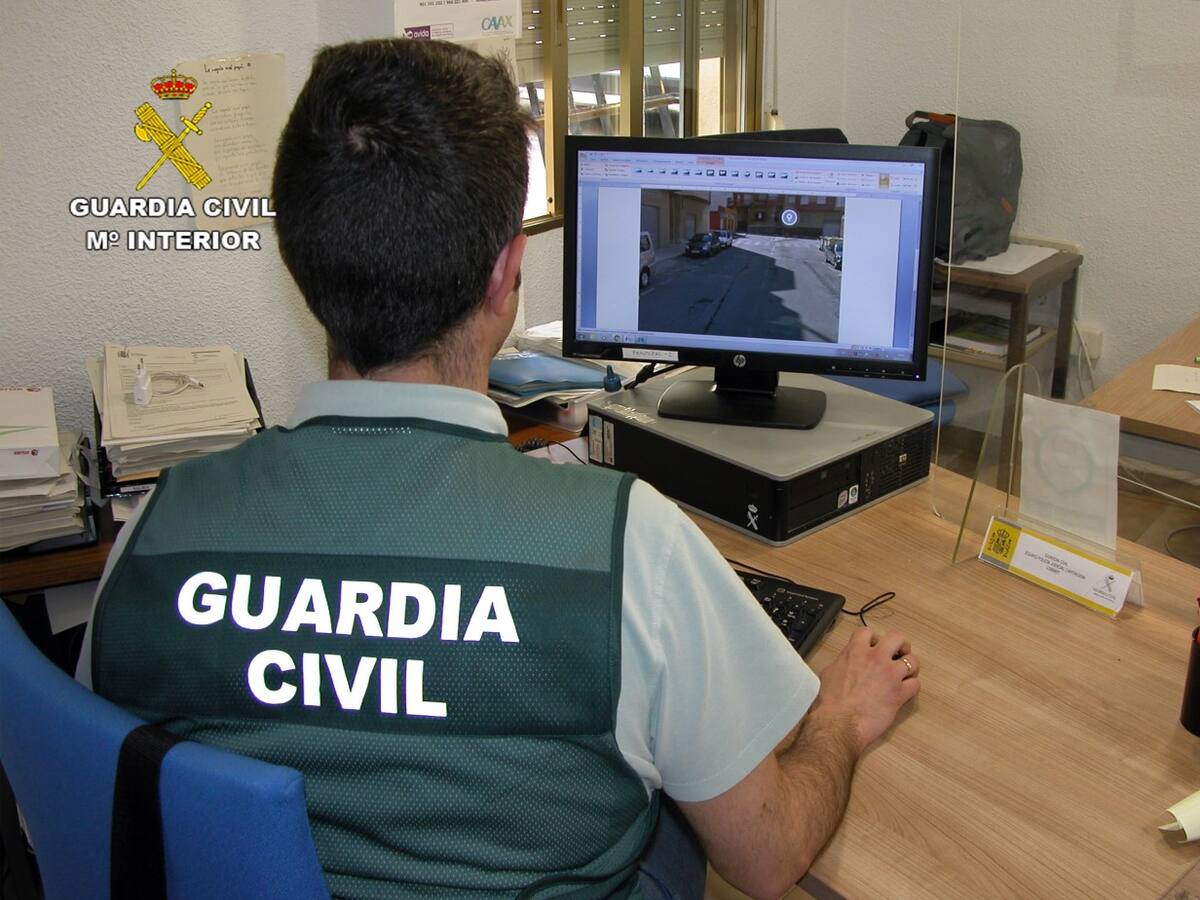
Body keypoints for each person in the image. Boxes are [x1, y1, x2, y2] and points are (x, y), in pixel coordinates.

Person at [78, 38, 920, 898]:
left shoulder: (151, 534)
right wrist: (842, 720)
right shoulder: (630, 544)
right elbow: (768, 858)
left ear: (300, 263)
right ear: (507, 275)